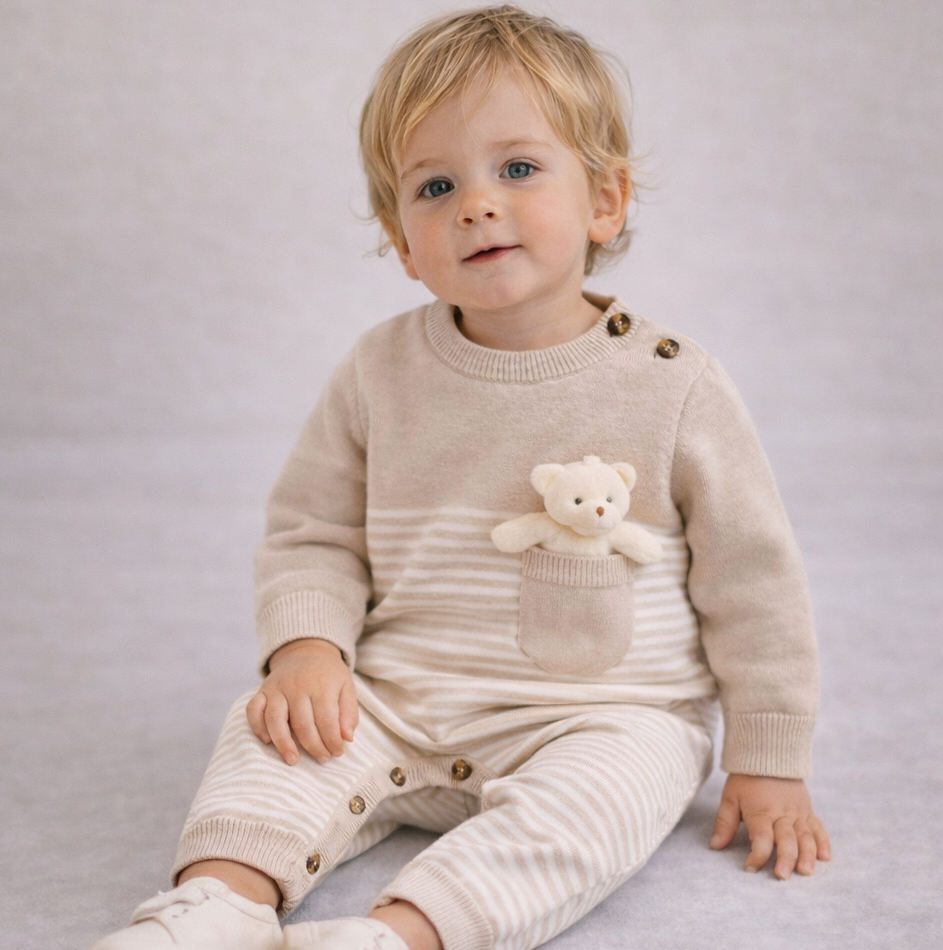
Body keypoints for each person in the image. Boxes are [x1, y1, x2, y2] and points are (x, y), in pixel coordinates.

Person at [90, 6, 831, 950]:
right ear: (402, 243)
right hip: (396, 703)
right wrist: (307, 651)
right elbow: (314, 532)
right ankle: (217, 901)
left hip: (601, 715)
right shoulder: (378, 371)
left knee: (609, 795)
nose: (476, 204)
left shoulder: (673, 383)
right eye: (435, 186)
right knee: (266, 728)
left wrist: (768, 756)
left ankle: (398, 935)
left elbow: (753, 581)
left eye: (517, 168)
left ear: (605, 201)